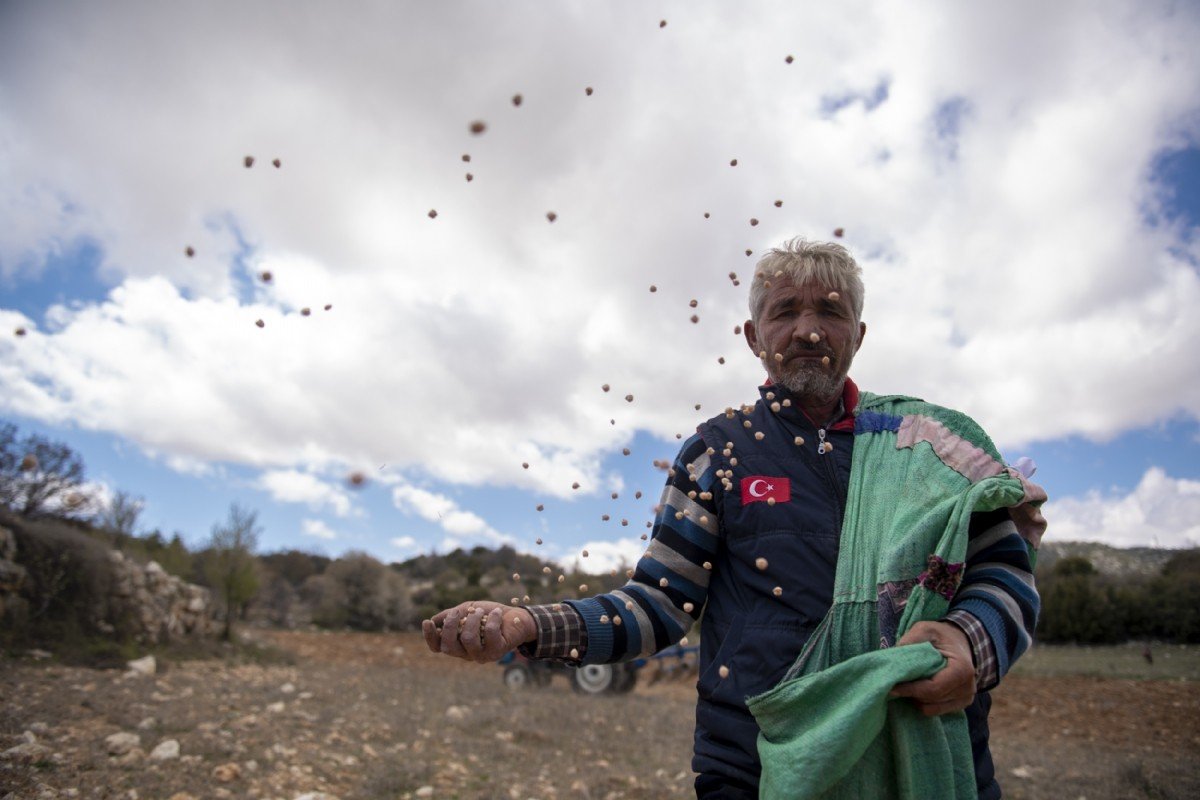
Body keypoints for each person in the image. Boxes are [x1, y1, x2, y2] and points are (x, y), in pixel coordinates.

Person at [423, 238, 1046, 799]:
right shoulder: (717, 452)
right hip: (755, 765)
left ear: (858, 333)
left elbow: (1003, 571)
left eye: (829, 312)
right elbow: (656, 605)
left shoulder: (931, 445)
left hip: (924, 752)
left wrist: (970, 641)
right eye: (785, 312)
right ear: (753, 337)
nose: (808, 330)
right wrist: (526, 623)